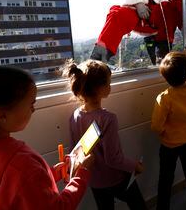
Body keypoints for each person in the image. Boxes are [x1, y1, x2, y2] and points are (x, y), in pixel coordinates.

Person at [0, 66, 92, 209]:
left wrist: (50, 174)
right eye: (31, 104)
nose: (33, 109)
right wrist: (81, 174)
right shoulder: (23, 166)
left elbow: (10, 192)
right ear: (2, 116)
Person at [63, 59, 147, 210]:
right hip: (116, 179)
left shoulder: (74, 116)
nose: (110, 86)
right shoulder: (108, 119)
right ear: (99, 89)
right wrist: (136, 166)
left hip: (94, 180)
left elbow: (74, 151)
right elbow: (113, 159)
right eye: (108, 83)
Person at [151, 52, 186, 210]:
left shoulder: (165, 98)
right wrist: (185, 66)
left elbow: (156, 126)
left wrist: (163, 132)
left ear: (166, 78)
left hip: (169, 145)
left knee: (165, 179)